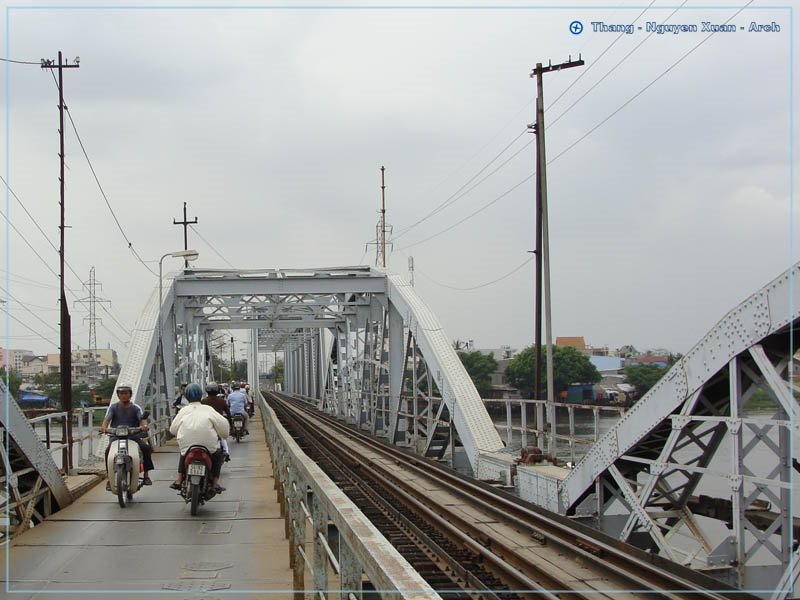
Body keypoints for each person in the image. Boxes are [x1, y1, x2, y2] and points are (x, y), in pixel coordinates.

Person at [169, 382, 229, 492]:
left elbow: (172, 430)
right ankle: (215, 483)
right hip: (208, 446)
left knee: (183, 453)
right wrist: (223, 434)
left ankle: (179, 479)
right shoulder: (208, 409)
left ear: (186, 396)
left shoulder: (183, 410)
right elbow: (224, 427)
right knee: (218, 455)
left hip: (187, 445)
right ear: (201, 395)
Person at [101, 384, 154, 487]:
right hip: (116, 436)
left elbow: (142, 420)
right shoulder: (113, 407)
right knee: (108, 452)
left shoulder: (135, 408)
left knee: (145, 448)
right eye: (121, 393)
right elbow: (106, 420)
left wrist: (144, 426)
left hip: (132, 436)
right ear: (118, 395)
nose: (123, 395)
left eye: (126, 393)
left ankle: (146, 476)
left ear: (130, 394)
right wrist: (104, 427)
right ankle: (109, 478)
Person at [201, 381, 231, 461]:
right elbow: (228, 413)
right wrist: (230, 424)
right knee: (222, 438)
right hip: (218, 424)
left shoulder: (203, 402)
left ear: (207, 390)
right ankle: (226, 452)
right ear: (217, 390)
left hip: (206, 425)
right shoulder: (221, 401)